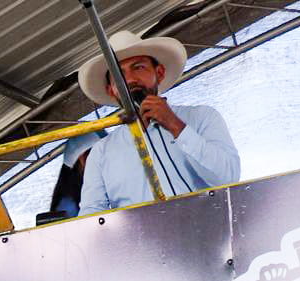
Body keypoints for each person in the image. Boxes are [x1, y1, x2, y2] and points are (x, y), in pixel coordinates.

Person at [75, 31, 238, 213]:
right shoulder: (102, 151)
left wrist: (176, 125)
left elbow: (228, 178)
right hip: (142, 241)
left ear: (159, 73)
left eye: (139, 67)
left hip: (210, 234)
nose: (130, 79)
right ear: (111, 90)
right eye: (119, 75)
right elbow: (91, 216)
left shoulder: (202, 117)